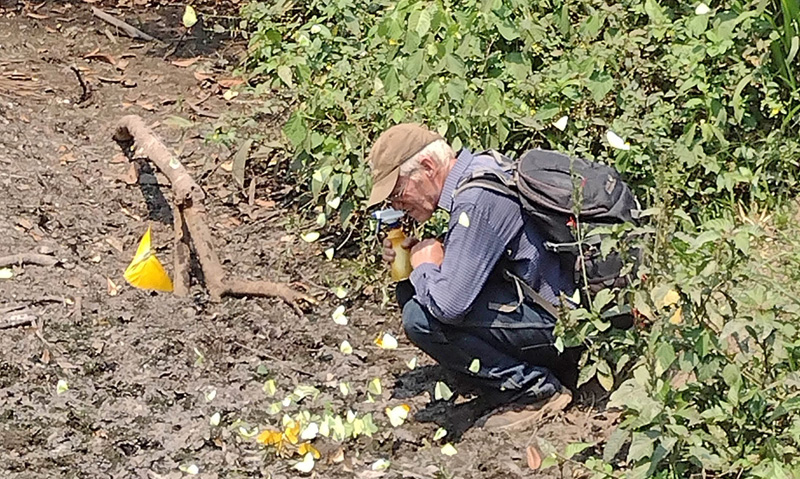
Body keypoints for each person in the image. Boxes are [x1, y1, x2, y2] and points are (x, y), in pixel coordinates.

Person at [367, 123, 576, 431]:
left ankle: (534, 389)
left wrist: (424, 265)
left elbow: (450, 306)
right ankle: (491, 374)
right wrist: (416, 259)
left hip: (566, 328)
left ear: (427, 167)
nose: (397, 205)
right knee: (411, 290)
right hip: (556, 313)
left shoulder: (476, 198)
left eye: (398, 193)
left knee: (420, 315)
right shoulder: (482, 168)